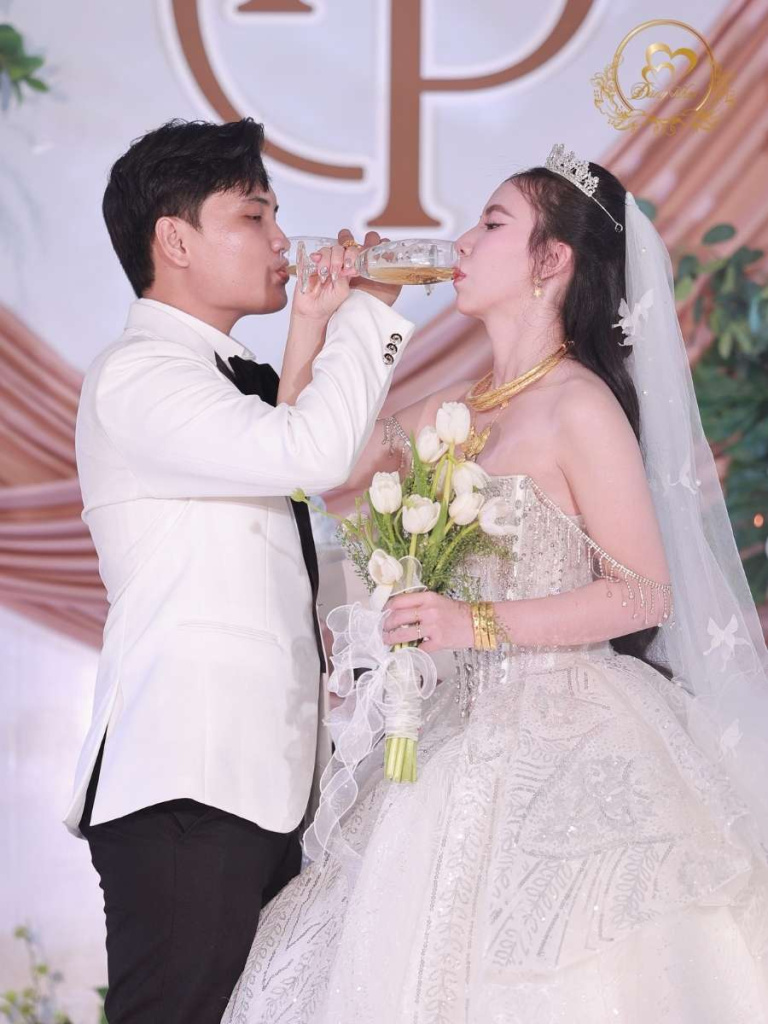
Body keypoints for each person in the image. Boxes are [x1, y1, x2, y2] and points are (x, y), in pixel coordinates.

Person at [223, 145, 768, 1023]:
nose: (463, 242)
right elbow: (315, 468)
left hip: (570, 731)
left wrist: (470, 621)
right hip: (456, 727)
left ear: (551, 261)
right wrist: (312, 327)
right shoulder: (462, 406)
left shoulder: (579, 405)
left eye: (492, 223)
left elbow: (641, 594)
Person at [63, 117, 414, 1024]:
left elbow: (285, 466)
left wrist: (312, 326)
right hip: (191, 777)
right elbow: (311, 454)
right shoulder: (139, 375)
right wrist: (370, 312)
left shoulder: (222, 374)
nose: (282, 241)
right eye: (254, 217)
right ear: (174, 240)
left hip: (258, 775)